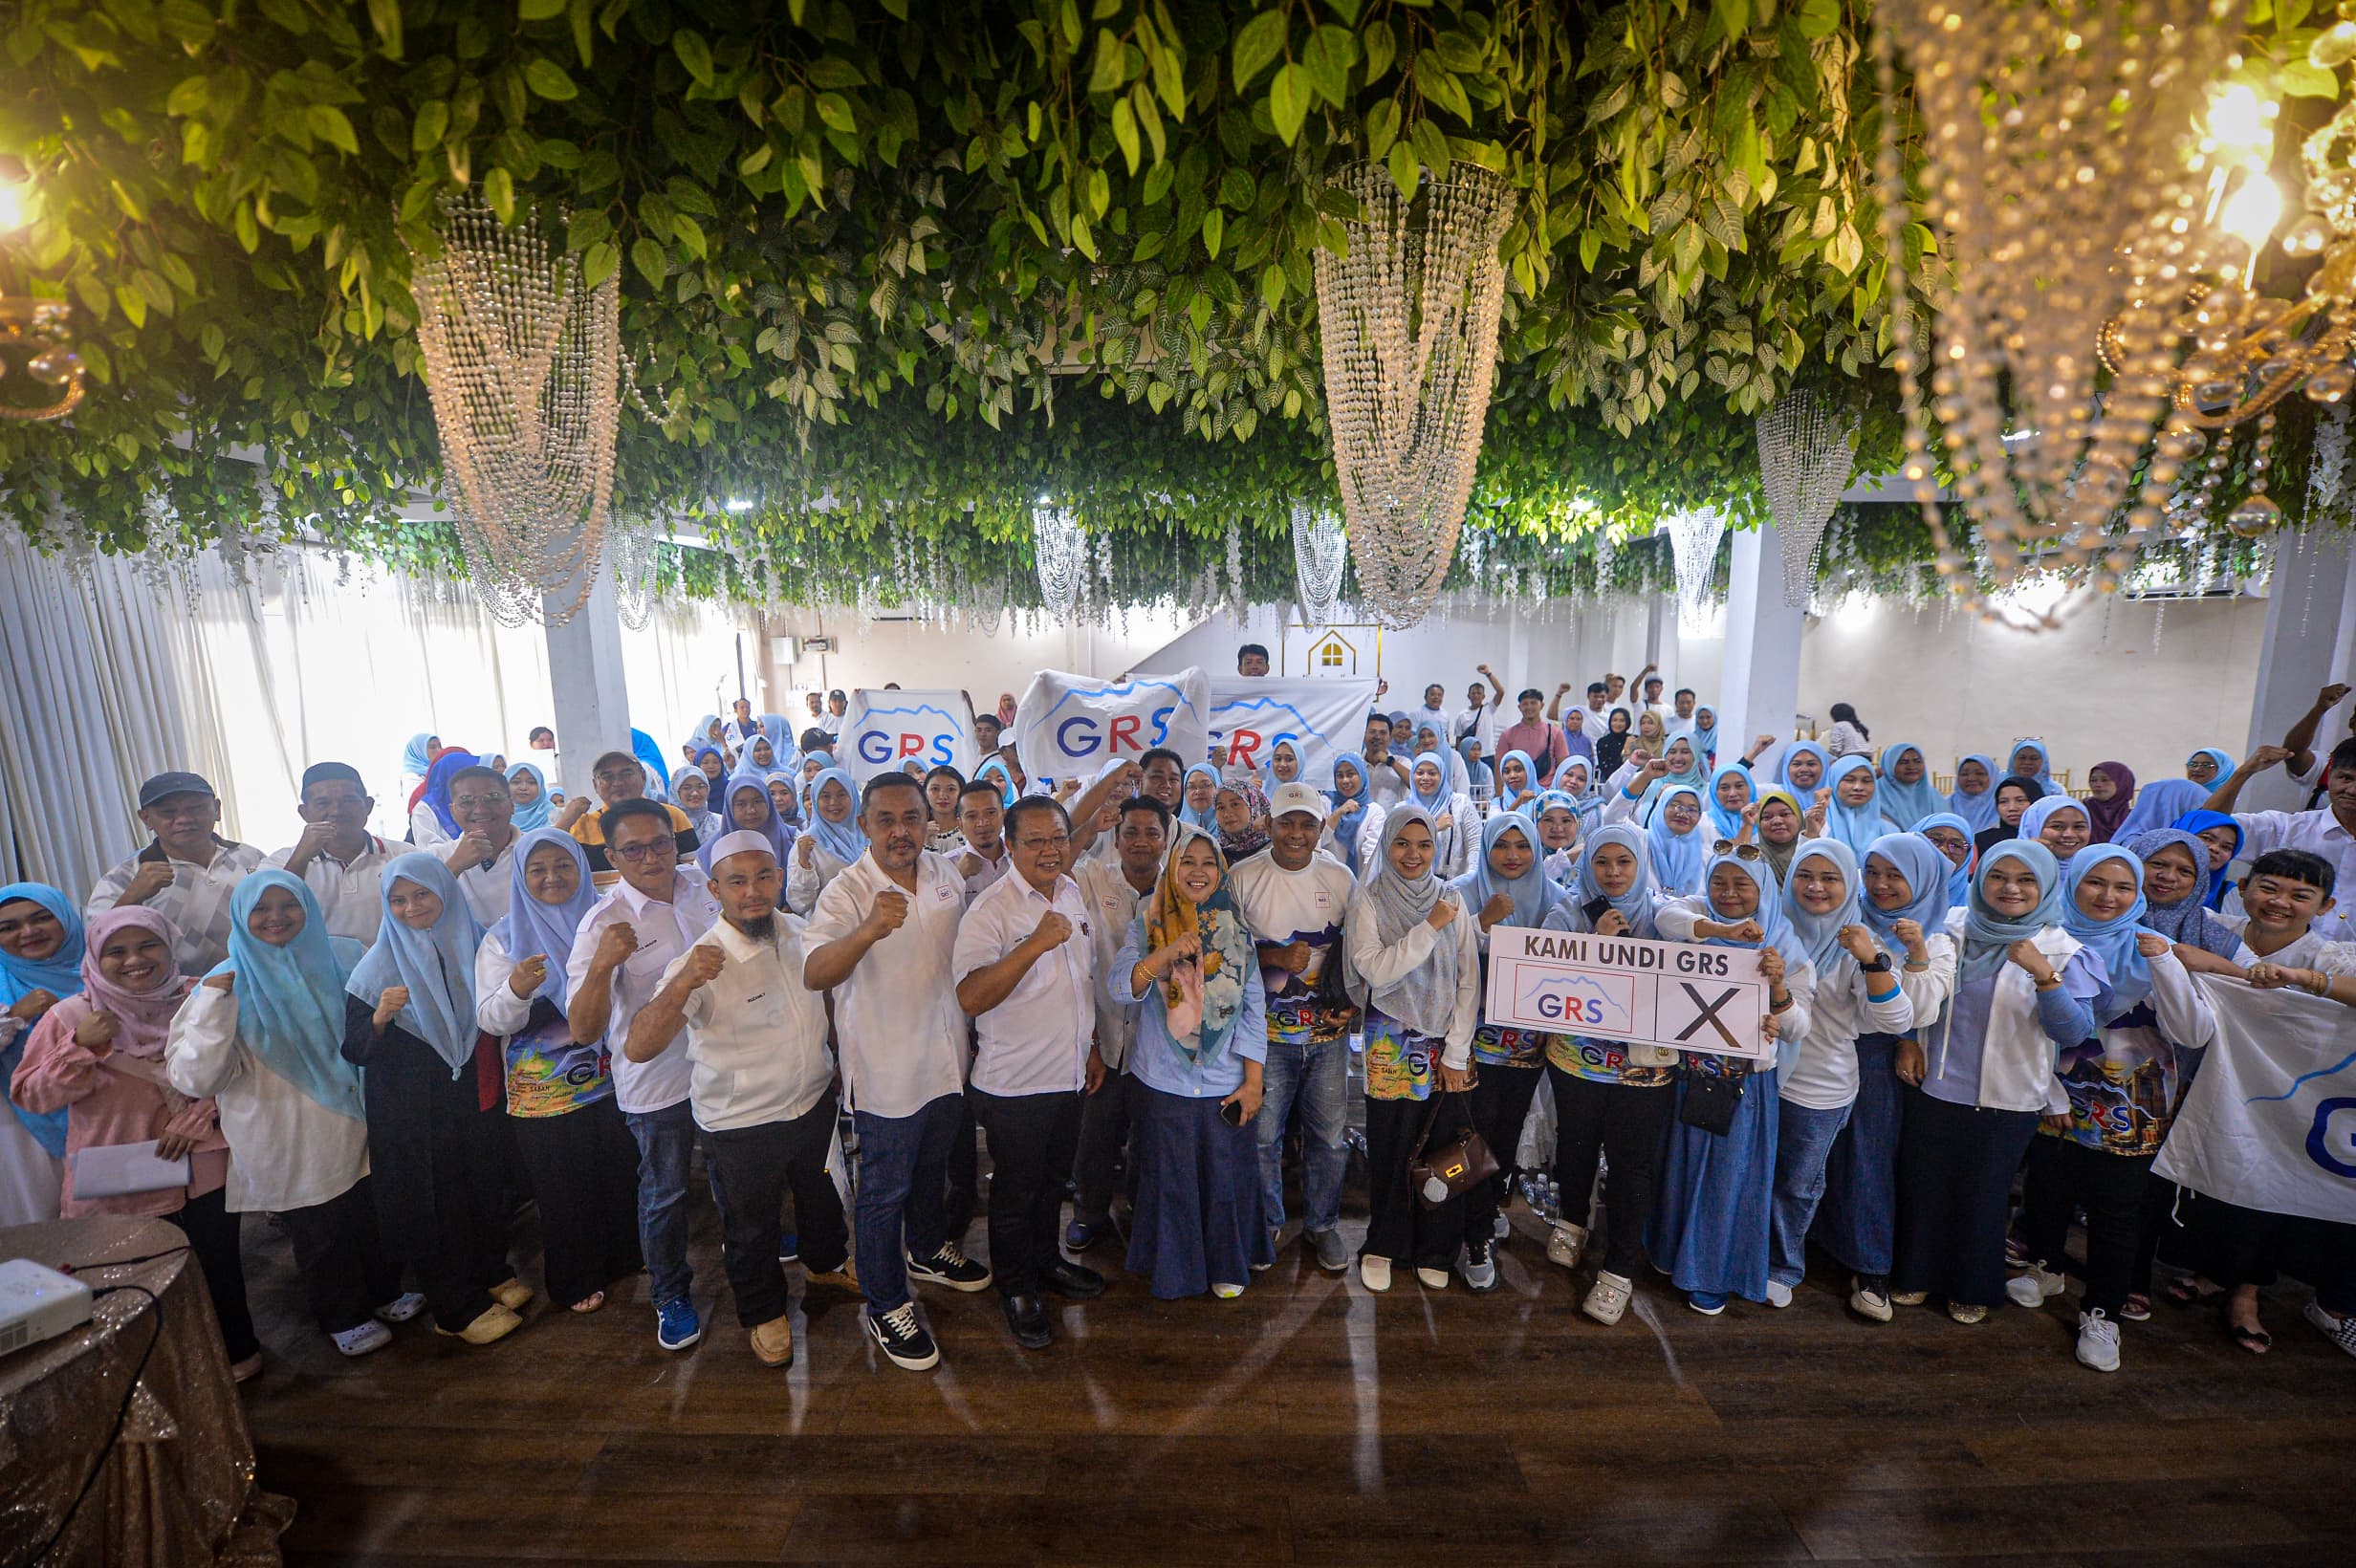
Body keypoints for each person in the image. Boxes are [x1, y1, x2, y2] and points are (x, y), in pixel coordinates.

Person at [624, 832, 857, 1367]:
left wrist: (839, 1061)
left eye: (763, 877)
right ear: (715, 889)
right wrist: (683, 983)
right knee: (751, 1229)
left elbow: (824, 1000)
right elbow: (639, 1047)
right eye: (737, 882)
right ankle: (763, 1313)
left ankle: (826, 1265)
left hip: (813, 1101)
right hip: (740, 1122)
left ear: (779, 879)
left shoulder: (801, 932)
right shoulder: (698, 960)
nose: (752, 892)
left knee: (823, 1199)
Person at [167, 871, 417, 1358]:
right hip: (287, 1131)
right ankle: (342, 1316)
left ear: (309, 907)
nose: (276, 918)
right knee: (319, 1230)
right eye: (261, 909)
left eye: (289, 905)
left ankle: (385, 1292)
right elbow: (196, 1079)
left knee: (371, 1216)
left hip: (357, 1117)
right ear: (241, 916)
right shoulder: (223, 982)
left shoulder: (344, 955)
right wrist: (215, 1004)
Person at [15, 906, 259, 1377]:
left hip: (202, 1167)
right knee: (131, 1279)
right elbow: (31, 1095)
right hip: (119, 1175)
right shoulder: (71, 1015)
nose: (135, 960)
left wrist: (197, 1117)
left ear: (169, 947)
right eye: (116, 951)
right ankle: (154, 1375)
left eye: (148, 945)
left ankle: (234, 1357)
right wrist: (79, 1046)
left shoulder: (202, 996)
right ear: (94, 956)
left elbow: (245, 1071)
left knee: (218, 1269)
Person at [804, 773, 991, 1372]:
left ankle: (927, 1250)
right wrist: (866, 930)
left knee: (932, 1167)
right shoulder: (846, 891)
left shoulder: (943, 873)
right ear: (864, 825)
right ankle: (886, 1303)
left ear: (928, 821)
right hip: (886, 1071)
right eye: (885, 820)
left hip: (948, 1059)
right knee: (884, 1192)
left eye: (911, 817)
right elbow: (815, 972)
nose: (900, 831)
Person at [1673, 840, 1911, 1311]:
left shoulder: (1857, 941)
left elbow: (1896, 1019)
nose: (1816, 887)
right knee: (1742, 1176)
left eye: (1830, 878)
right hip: (1756, 1080)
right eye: (1805, 875)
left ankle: (1781, 1266)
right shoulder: (1765, 923)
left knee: (1795, 1184)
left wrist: (1870, 960)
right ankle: (1734, 1257)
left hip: (1816, 1084)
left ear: (1849, 884)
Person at [2008, 843, 2211, 1372]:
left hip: (2133, 1103)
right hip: (2055, 1091)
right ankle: (2046, 1268)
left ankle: (2102, 1312)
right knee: (2047, 1191)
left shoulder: (2155, 946)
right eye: (2095, 883)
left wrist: (2163, 963)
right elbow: (2027, 1027)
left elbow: (2194, 1032)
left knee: (2116, 1213)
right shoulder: (2048, 939)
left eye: (2124, 887)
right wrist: (2049, 1094)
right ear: (2071, 884)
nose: (2108, 897)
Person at [1891, 841, 2100, 1323]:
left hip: (2011, 1096)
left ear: (2046, 885)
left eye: (2026, 879)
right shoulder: (1951, 927)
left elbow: (2072, 1033)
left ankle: (1971, 1285)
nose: (2010, 888)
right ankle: (1916, 1273)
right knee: (1925, 1187)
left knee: (1983, 1196)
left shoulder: (2063, 948)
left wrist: (2045, 975)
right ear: (1979, 879)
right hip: (1937, 1083)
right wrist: (1907, 1039)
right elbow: (1916, 987)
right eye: (1998, 876)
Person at [2163, 849, 2356, 1355]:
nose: (2280, 902)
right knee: (2215, 1177)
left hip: (2284, 1094)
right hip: (2207, 1076)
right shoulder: (2215, 928)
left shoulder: (2327, 955)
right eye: (2268, 887)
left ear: (2325, 905)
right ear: (2243, 887)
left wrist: (2301, 980)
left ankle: (2246, 1294)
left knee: (2263, 1183)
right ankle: (2215, 1271)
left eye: (2300, 895)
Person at [339, 855, 525, 1346]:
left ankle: (489, 1275)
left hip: (473, 1098)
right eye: (398, 900)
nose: (411, 907)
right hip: (412, 1118)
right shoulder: (377, 968)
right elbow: (355, 1048)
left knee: (482, 1190)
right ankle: (455, 1307)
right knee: (436, 1205)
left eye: (422, 894)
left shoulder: (477, 942)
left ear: (445, 891)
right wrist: (380, 1017)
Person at [565, 798, 726, 1350]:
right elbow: (583, 1029)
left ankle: (750, 1246)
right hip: (658, 1082)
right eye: (633, 850)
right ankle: (670, 1292)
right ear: (612, 857)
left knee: (735, 1173)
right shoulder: (602, 924)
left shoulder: (705, 887)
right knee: (665, 1192)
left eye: (661, 843)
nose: (652, 857)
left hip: (725, 1065)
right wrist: (602, 965)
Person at [950, 797, 1105, 1349]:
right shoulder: (990, 910)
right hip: (1015, 1084)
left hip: (1069, 1075)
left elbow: (1081, 981)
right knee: (1016, 1193)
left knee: (1052, 1184)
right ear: (1010, 845)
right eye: (1035, 840)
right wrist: (1035, 944)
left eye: (1057, 838)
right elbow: (971, 997)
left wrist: (1090, 1048)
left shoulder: (1071, 892)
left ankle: (1046, 1262)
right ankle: (1016, 1287)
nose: (1049, 850)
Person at [475, 830, 643, 1317]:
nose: (553, 877)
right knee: (564, 1191)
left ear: (582, 868)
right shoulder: (503, 939)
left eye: (564, 865)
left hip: (613, 1081)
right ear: (521, 877)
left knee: (619, 1174)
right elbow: (490, 1019)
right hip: (544, 1095)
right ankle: (575, 1279)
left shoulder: (605, 923)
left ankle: (626, 1256)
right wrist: (516, 989)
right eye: (538, 869)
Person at [1646, 850, 1817, 1313]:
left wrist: (1778, 991)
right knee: (1678, 1170)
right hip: (1686, 1076)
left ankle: (1711, 1275)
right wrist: (1722, 932)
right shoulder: (1698, 917)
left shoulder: (1784, 943)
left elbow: (1798, 1027)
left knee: (1727, 1182)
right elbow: (1665, 917)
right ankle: (1669, 1256)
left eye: (1743, 885)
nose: (1729, 893)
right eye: (1719, 882)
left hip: (1744, 1086)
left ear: (1764, 890)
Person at [1110, 822, 1273, 1298]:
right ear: (1172, 869)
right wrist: (1164, 955)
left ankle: (1225, 1263)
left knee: (1226, 1177)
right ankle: (1176, 1269)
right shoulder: (1146, 926)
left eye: (1208, 863)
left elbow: (1253, 1010)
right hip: (1165, 1082)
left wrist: (1253, 1082)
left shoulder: (1237, 934)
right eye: (1187, 862)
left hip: (1225, 1081)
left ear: (1221, 871)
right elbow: (1120, 987)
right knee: (1171, 1180)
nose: (1198, 872)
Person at [1814, 833, 1957, 1322]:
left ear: (1923, 879)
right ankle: (1807, 1247)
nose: (1880, 884)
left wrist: (1914, 953)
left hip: (1876, 1056)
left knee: (1867, 1159)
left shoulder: (1936, 937)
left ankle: (1869, 1265)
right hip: (1818, 1047)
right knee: (1811, 1153)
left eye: (1896, 874)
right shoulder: (1839, 913)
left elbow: (1918, 1011)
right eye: (1872, 871)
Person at [1342, 807, 1479, 1293]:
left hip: (1444, 1046)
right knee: (1392, 1146)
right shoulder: (1371, 899)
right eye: (1402, 843)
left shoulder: (1452, 898)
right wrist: (1429, 927)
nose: (1413, 854)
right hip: (1390, 1046)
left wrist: (1456, 1053)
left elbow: (1468, 980)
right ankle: (1385, 1245)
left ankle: (1435, 1248)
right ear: (1387, 846)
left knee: (1444, 1150)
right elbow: (1375, 969)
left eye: (1423, 845)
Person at [1227, 782, 1359, 1273]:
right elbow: (1223, 951)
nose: (1297, 833)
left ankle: (1322, 1225)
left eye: (1308, 823)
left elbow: (1357, 951)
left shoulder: (1341, 877)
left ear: (1321, 827)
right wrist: (1276, 958)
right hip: (1264, 1040)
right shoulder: (1243, 877)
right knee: (1263, 1137)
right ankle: (1266, 1224)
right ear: (1268, 824)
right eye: (1287, 822)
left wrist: (1350, 1003)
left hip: (1328, 1038)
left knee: (1330, 1138)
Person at [1453, 812, 1564, 1290]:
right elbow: (1440, 954)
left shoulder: (1556, 899)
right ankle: (1475, 1235)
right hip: (1474, 1043)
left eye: (1522, 846)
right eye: (1502, 845)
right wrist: (1482, 922)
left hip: (1528, 1048)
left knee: (1507, 1132)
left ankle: (1486, 1205)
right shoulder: (1461, 892)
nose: (1513, 855)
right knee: (1473, 1133)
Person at [1068, 795, 1170, 1252]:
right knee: (1095, 1134)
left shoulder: (1180, 890)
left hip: (1159, 1046)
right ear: (1116, 836)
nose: (1141, 842)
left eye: (1152, 833)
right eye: (1131, 832)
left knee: (1150, 1139)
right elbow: (1057, 864)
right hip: (1103, 1038)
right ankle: (1089, 1214)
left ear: (1166, 840)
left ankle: (1141, 1215)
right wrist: (1088, 827)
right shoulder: (1093, 878)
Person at [87, 771, 267, 975]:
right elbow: (97, 944)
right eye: (168, 812)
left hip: (261, 977)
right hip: (179, 990)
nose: (184, 819)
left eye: (196, 808)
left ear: (217, 809)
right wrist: (132, 897)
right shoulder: (123, 878)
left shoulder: (251, 857)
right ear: (146, 818)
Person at [2200, 739, 2356, 944]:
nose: (2352, 790)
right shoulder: (2286, 828)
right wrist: (2244, 772)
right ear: (2329, 775)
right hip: (2266, 957)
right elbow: (2206, 826)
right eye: (2345, 778)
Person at [0, 885, 81, 1226]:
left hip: (115, 1117)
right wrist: (15, 1014)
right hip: (25, 1132)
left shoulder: (103, 966)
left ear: (66, 918)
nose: (28, 932)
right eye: (9, 927)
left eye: (42, 918)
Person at [267, 762, 396, 944]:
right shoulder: (277, 863)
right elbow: (270, 915)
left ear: (368, 805)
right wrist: (301, 857)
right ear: (304, 813)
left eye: (348, 801)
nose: (336, 811)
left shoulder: (403, 856)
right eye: (323, 803)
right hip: (313, 963)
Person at [560, 751, 701, 889]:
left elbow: (695, 875)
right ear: (595, 785)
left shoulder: (672, 816)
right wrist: (566, 820)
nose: (618, 783)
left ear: (643, 777)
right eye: (607, 777)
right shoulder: (581, 826)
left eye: (626, 773)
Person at [427, 764, 525, 927]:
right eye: (466, 801)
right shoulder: (436, 859)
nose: (480, 810)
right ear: (452, 811)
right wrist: (454, 866)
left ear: (512, 804)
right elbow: (420, 914)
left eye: (493, 798)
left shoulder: (537, 850)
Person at [789, 766, 868, 914]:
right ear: (815, 800)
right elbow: (799, 903)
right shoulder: (807, 843)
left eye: (841, 794)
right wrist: (804, 863)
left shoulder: (870, 834)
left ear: (853, 795)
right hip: (831, 924)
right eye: (825, 796)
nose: (833, 802)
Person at [1406, 751, 1476, 880]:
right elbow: (1402, 846)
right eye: (1420, 773)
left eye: (1432, 773)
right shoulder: (1404, 809)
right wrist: (1434, 827)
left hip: (1456, 884)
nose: (1425, 778)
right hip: (1414, 884)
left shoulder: (1460, 804)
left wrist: (1470, 878)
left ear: (1442, 776)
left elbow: (1475, 844)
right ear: (1412, 776)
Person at [1321, 751, 1386, 880]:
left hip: (1359, 882)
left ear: (1362, 775)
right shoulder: (1325, 802)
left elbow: (1372, 856)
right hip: (1324, 881)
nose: (1345, 780)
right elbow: (1317, 841)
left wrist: (1363, 887)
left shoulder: (1375, 812)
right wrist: (1338, 813)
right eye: (1340, 775)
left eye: (1350, 774)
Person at [1493, 678, 1569, 782]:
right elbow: (1499, 766)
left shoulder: (1555, 732)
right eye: (1525, 704)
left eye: (1533, 703)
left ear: (1542, 705)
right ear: (1519, 707)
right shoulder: (1507, 734)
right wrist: (1499, 791)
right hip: (1516, 789)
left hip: (1547, 788)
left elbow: (1563, 765)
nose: (1529, 707)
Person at [1973, 774, 2047, 859]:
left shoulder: (2050, 839)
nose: (2012, 808)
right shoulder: (1982, 841)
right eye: (2003, 801)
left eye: (2020, 800)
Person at [1876, 744, 1947, 831]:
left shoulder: (1933, 796)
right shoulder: (1875, 796)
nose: (1912, 767)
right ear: (1889, 766)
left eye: (1917, 761)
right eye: (1903, 762)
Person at [2020, 794, 2094, 860]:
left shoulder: (2093, 866)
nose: (2069, 834)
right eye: (2057, 826)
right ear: (2033, 828)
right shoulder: (2016, 864)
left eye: (2078, 827)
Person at [2083, 761, 2136, 844]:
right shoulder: (2082, 812)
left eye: (2105, 780)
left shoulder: (2134, 819)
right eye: (2093, 780)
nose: (2098, 785)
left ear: (2122, 782)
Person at [1948, 753, 1999, 833]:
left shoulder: (2003, 807)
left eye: (1980, 773)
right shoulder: (1944, 805)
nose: (1971, 778)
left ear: (1993, 777)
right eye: (1964, 774)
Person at [925, 765, 968, 855]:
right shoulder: (917, 829)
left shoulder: (969, 828)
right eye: (935, 789)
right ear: (925, 792)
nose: (943, 796)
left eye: (951, 789)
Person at [506, 761, 554, 833]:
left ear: (540, 786)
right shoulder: (497, 814)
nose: (523, 787)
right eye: (516, 782)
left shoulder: (553, 813)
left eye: (531, 782)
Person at [1594, 708, 1633, 779]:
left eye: (1622, 720)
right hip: (1609, 781)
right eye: (1614, 720)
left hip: (1632, 780)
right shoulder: (1603, 742)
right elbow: (1607, 770)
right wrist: (1625, 749)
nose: (1618, 724)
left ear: (1627, 722)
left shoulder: (1632, 740)